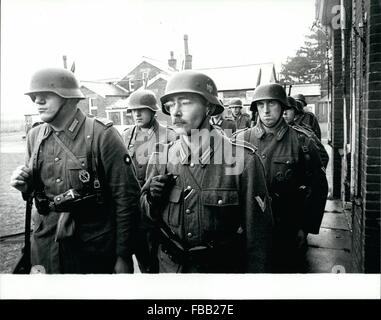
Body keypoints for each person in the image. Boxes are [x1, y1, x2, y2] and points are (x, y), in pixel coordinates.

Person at [10, 67, 141, 274]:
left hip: (91, 251)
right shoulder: (35, 136)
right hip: (46, 247)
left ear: (70, 98)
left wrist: (123, 255)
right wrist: (25, 186)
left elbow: (127, 199)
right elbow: (37, 191)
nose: (38, 102)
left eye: (46, 96)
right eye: (35, 96)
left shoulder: (102, 135)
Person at [140, 70, 273, 273]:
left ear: (209, 107)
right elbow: (147, 221)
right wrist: (151, 200)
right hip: (171, 269)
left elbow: (258, 238)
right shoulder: (161, 156)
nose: (175, 112)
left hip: (220, 272)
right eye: (170, 105)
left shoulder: (243, 161)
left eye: (184, 103)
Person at [233, 83, 328, 273]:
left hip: (287, 227)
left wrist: (305, 227)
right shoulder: (239, 141)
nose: (266, 111)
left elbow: (317, 187)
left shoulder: (303, 142)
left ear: (283, 106)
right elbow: (227, 186)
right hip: (248, 229)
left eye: (272, 104)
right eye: (261, 105)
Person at [123, 89, 176, 273]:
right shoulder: (126, 136)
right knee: (139, 256)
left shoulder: (169, 136)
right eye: (133, 110)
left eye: (142, 109)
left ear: (153, 111)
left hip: (156, 211)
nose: (136, 114)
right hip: (132, 209)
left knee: (157, 262)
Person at [284, 96, 329, 169]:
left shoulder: (307, 128)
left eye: (288, 109)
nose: (284, 113)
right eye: (282, 109)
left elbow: (323, 156)